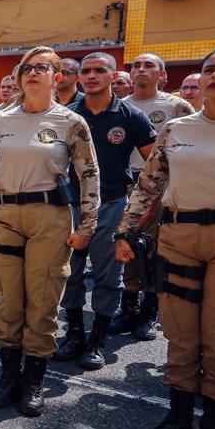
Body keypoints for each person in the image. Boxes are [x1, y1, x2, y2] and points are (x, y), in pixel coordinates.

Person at [0, 46, 99, 417]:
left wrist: (88, 225)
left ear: (57, 78)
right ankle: (8, 376)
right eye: (27, 68)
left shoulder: (70, 122)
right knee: (9, 301)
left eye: (42, 68)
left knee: (42, 302)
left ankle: (34, 380)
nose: (32, 73)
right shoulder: (3, 121)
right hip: (6, 215)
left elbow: (89, 176)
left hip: (50, 217)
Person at [115, 45, 215, 429]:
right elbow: (148, 185)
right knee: (181, 331)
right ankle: (178, 418)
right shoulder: (177, 128)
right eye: (209, 69)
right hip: (178, 236)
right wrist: (125, 231)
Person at [53, 52, 156, 369]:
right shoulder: (68, 115)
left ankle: (96, 340)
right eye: (86, 71)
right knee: (68, 274)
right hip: (71, 205)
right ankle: (73, 334)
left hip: (111, 204)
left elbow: (155, 166)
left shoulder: (130, 115)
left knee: (108, 276)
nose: (92, 76)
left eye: (100, 70)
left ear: (114, 76)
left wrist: (138, 212)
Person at [112, 53, 195, 339]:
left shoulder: (176, 106)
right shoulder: (120, 107)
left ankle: (150, 309)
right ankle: (129, 308)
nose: (141, 70)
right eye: (136, 65)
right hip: (127, 184)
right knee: (127, 246)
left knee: (155, 248)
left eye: (149, 66)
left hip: (162, 188)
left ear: (162, 76)